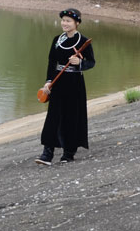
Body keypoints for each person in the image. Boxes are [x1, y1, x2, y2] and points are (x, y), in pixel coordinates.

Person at [35, 8, 95, 165]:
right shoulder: (57, 40)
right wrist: (48, 81)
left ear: (77, 23)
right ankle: (47, 153)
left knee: (71, 116)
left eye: (68, 21)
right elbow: (51, 62)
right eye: (63, 20)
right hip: (58, 82)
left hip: (75, 83)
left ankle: (68, 153)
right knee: (53, 116)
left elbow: (91, 62)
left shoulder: (83, 41)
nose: (65, 23)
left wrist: (79, 63)